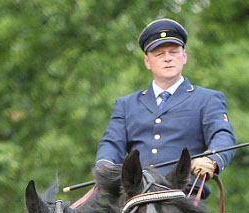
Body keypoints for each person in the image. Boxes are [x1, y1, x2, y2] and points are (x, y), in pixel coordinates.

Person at [95, 18, 236, 200]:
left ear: (184, 56)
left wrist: (212, 159)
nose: (167, 58)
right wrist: (105, 168)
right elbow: (111, 144)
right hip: (137, 197)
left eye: (173, 52)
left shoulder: (207, 99)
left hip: (183, 196)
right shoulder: (126, 105)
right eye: (159, 54)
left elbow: (223, 135)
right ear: (147, 61)